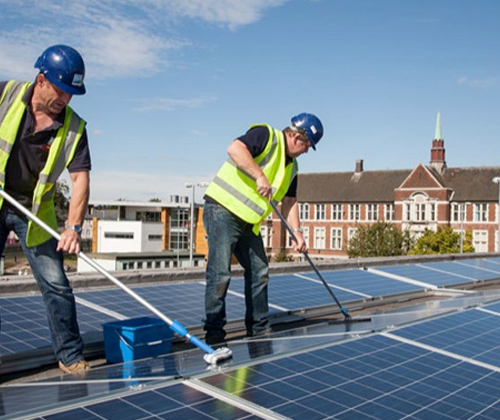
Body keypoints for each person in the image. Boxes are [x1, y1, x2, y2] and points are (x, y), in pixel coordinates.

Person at [0, 45, 91, 374]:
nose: (66, 100)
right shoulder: (5, 95)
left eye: (72, 94)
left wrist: (74, 227)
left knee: (56, 284)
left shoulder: (75, 128)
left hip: (35, 215)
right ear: (41, 80)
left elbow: (80, 179)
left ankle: (70, 356)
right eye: (62, 91)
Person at [202, 113, 324, 344]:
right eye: (307, 144)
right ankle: (214, 334)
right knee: (220, 274)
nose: (307, 150)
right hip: (222, 210)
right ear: (297, 136)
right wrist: (259, 175)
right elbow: (234, 149)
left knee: (259, 271)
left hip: (249, 223)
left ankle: (258, 329)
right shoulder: (267, 136)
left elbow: (289, 202)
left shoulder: (293, 167)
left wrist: (297, 234)